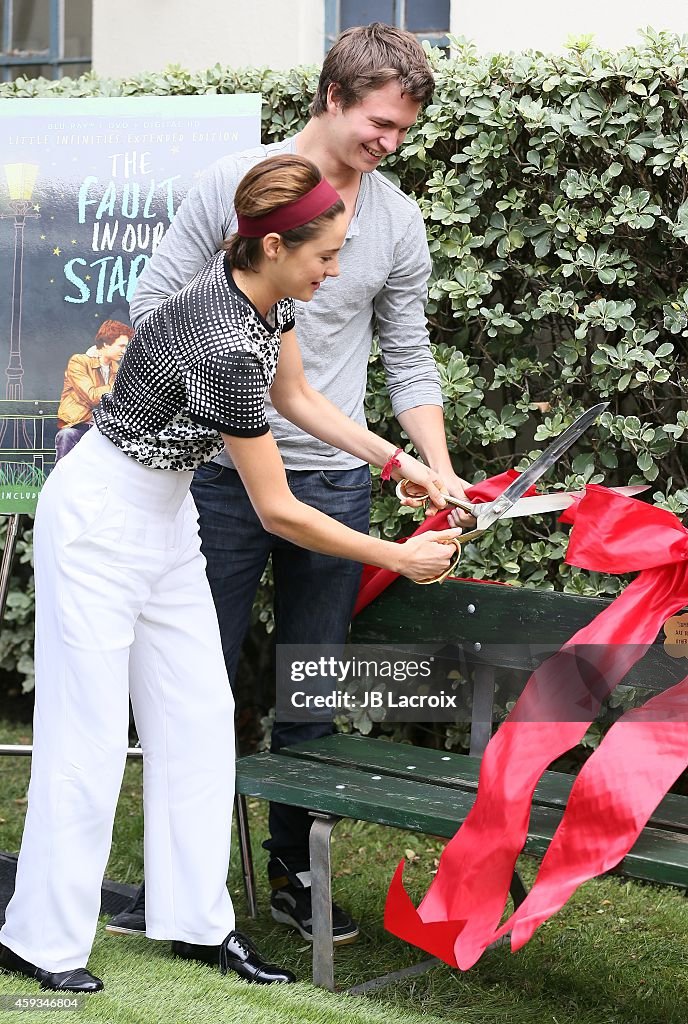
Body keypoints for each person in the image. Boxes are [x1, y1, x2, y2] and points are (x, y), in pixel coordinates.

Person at [0, 154, 460, 994]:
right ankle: (40, 938)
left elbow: (303, 401)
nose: (335, 270)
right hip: (100, 518)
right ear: (276, 244)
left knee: (202, 717)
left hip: (167, 519)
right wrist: (398, 556)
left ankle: (196, 924)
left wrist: (397, 462)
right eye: (325, 256)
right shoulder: (221, 341)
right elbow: (279, 509)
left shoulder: (264, 294)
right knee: (90, 734)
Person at [109, 22, 470, 948]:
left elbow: (407, 355)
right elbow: (153, 314)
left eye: (404, 131)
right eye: (379, 123)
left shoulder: (394, 220)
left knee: (311, 691)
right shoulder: (229, 189)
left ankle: (292, 885)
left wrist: (430, 467)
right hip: (224, 484)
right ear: (332, 98)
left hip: (338, 480)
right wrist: (234, 388)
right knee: (197, 684)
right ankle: (176, 882)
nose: (389, 144)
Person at [54, 320, 133, 461]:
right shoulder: (79, 362)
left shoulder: (117, 370)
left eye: (126, 346)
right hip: (79, 425)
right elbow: (92, 396)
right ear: (106, 343)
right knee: (66, 435)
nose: (124, 351)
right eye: (121, 346)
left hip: (105, 428)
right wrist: (121, 385)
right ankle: (62, 479)